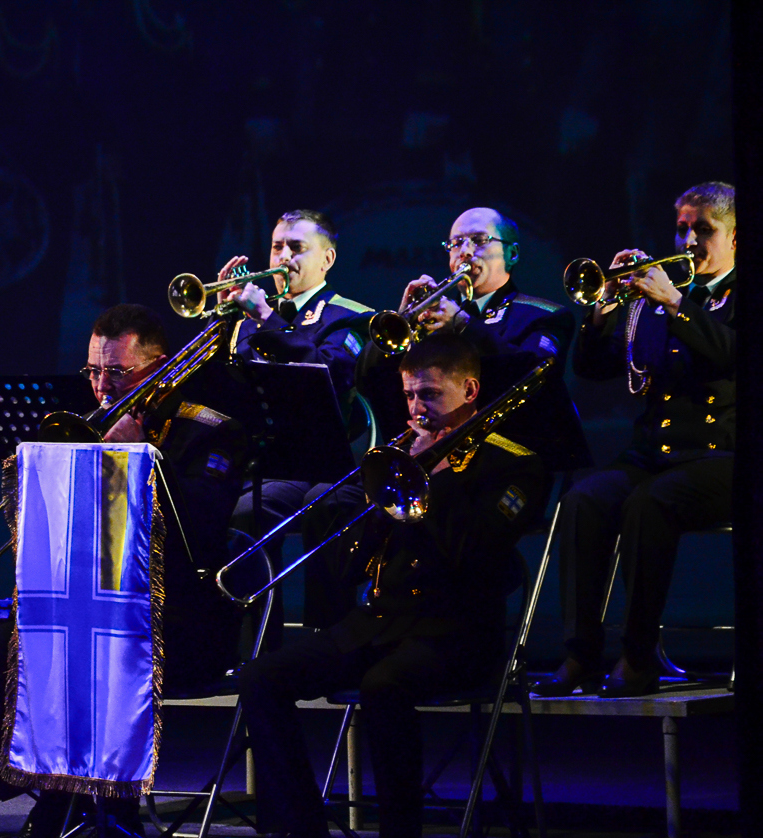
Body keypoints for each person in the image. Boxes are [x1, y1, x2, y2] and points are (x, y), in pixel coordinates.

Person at [235, 335, 548, 838]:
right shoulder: (399, 456)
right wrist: (384, 498)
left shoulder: (514, 464)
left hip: (457, 630)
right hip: (381, 621)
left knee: (384, 685)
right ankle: (305, 836)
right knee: (262, 677)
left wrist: (437, 481)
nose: (417, 409)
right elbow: (350, 567)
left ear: (470, 389)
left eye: (430, 394)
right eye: (409, 396)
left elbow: (475, 552)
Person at [0, 303, 248, 838]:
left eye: (118, 372)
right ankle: (51, 794)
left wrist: (134, 460)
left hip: (176, 618)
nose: (102, 387)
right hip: (87, 610)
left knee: (93, 662)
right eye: (94, 371)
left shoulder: (207, 431)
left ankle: (111, 821)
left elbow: (199, 535)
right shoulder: (88, 425)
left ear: (159, 367)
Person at [535, 182, 737, 698]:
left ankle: (639, 656)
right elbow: (594, 369)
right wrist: (604, 306)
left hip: (723, 455)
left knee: (650, 504)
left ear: (737, 237)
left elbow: (730, 355)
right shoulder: (658, 301)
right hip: (655, 454)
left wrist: (676, 303)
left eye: (703, 230)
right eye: (682, 228)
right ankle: (580, 654)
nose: (688, 240)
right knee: (583, 501)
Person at [218, 209, 375, 645]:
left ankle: (329, 642)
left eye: (297, 247)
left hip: (332, 467)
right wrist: (225, 317)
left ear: (327, 259)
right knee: (239, 513)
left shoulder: (349, 316)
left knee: (325, 507)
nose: (283, 257)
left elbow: (329, 374)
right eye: (277, 247)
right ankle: (257, 648)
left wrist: (266, 318)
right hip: (271, 464)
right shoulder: (246, 323)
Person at [390, 207, 574, 362]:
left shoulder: (545, 316)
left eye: (479, 240)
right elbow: (380, 383)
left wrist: (464, 326)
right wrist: (402, 323)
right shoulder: (432, 318)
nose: (465, 252)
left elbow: (531, 371)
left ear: (511, 254)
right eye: (456, 243)